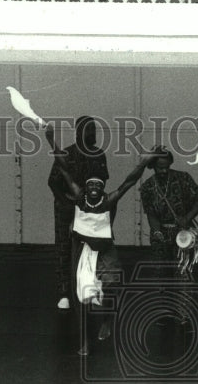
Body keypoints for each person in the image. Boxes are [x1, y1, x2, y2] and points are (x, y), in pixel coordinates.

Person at [46, 125, 154, 355]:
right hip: (83, 250)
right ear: (85, 188)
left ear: (103, 189)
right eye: (90, 185)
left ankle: (106, 320)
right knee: (82, 297)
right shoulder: (79, 198)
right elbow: (64, 170)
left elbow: (129, 181)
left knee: (113, 286)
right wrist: (50, 141)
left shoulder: (109, 200)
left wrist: (144, 162)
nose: (94, 187)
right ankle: (84, 340)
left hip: (105, 250)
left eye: (98, 185)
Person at [47, 116, 109, 311]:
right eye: (88, 130)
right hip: (66, 206)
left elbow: (102, 180)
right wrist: (67, 203)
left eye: (93, 129)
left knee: (94, 248)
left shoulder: (99, 154)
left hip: (90, 207)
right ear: (78, 132)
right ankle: (64, 293)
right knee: (64, 248)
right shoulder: (67, 153)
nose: (92, 133)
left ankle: (92, 289)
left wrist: (91, 201)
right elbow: (53, 182)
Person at [139, 145, 198, 281]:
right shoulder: (147, 187)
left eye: (166, 167)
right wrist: (157, 232)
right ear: (153, 166)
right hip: (160, 234)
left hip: (183, 232)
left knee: (184, 273)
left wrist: (187, 218)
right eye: (160, 168)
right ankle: (164, 300)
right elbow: (150, 213)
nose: (163, 171)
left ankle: (184, 302)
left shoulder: (183, 178)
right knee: (161, 274)